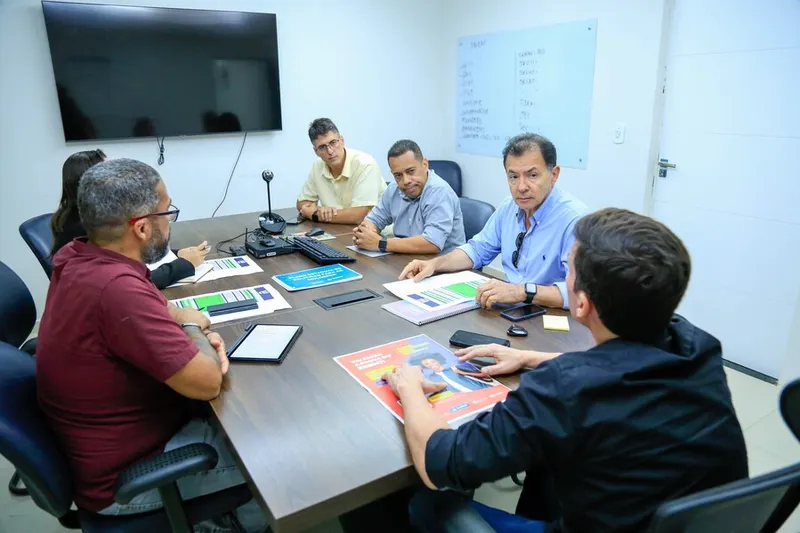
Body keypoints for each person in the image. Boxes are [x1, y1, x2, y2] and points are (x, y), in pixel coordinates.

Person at [383, 207, 748, 533]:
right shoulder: (697, 345)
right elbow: (624, 370)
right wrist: (531, 357)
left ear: (582, 304)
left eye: (568, 269)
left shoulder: (563, 388)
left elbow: (441, 463)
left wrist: (409, 386)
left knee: (427, 504)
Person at [37, 158, 267, 532]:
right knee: (275, 451)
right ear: (141, 228)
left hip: (110, 445)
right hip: (133, 475)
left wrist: (184, 323)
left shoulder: (79, 257)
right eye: (167, 211)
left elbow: (159, 307)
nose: (170, 221)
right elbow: (208, 380)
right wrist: (195, 331)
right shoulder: (116, 290)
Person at [399, 133, 587, 309]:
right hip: (512, 310)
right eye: (513, 177)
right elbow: (477, 249)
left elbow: (580, 294)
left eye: (532, 175)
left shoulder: (575, 221)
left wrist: (521, 292)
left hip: (553, 318)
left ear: (554, 174)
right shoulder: (509, 207)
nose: (521, 187)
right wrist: (434, 264)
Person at [51, 150, 209, 290]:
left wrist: (177, 253)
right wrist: (184, 264)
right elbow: (132, 282)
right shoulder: (92, 226)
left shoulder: (73, 216)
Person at [353, 140, 465, 254]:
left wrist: (380, 243)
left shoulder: (439, 192)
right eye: (398, 175)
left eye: (411, 171)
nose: (405, 181)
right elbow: (374, 220)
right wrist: (365, 235)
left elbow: (432, 243)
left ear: (425, 164)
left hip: (443, 265)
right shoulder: (393, 189)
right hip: (406, 259)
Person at [296, 118, 387, 225]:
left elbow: (358, 216)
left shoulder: (365, 164)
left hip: (379, 234)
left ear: (342, 140)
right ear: (316, 151)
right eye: (322, 147)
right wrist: (321, 210)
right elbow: (302, 203)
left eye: (333, 143)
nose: (330, 151)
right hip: (340, 230)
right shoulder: (318, 165)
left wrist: (317, 214)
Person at [407, 351, 493, 393]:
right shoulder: (432, 378)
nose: (431, 364)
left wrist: (462, 373)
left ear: (438, 360)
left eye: (432, 361)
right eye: (427, 364)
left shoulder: (455, 368)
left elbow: (485, 376)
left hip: (481, 391)